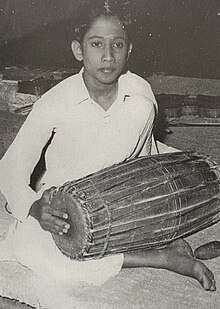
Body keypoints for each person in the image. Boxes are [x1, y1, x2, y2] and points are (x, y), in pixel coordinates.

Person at [0, 0, 216, 291]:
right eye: (96, 44)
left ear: (129, 50)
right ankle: (162, 258)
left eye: (117, 45)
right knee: (34, 247)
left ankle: (158, 243)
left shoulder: (141, 97)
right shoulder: (55, 101)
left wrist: (157, 206)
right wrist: (35, 207)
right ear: (79, 50)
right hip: (68, 201)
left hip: (124, 194)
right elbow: (10, 167)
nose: (108, 56)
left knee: (208, 178)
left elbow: (146, 157)